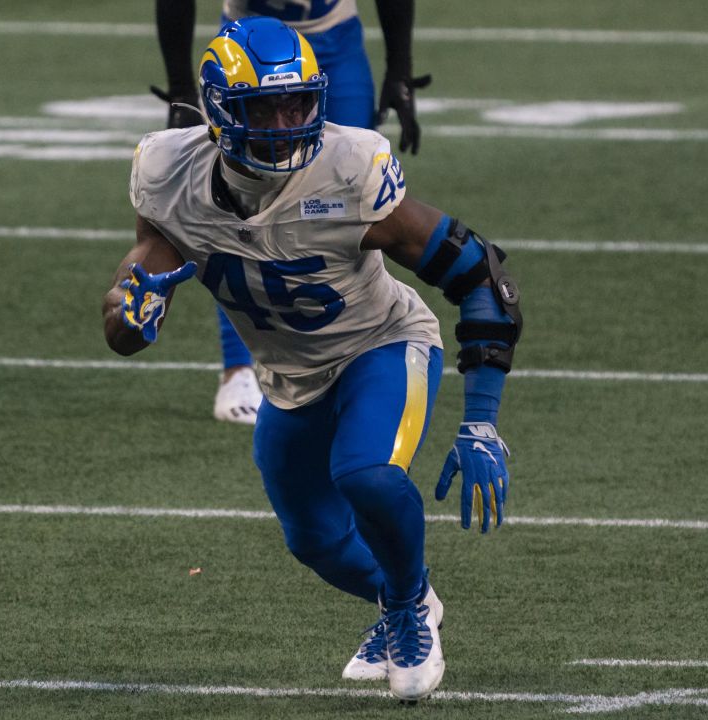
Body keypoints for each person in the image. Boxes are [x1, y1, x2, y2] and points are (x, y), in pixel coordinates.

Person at [105, 17, 520, 700]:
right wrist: (131, 314)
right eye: (263, 105)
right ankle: (395, 602)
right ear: (217, 112)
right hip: (289, 379)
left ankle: (413, 604)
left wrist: (481, 418)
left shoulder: (349, 166)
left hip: (380, 343)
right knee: (315, 541)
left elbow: (483, 278)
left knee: (365, 475)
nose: (285, 120)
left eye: (298, 101)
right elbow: (130, 298)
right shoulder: (165, 170)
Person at [151, 0, 431, 425]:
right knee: (234, 210)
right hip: (244, 51)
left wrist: (400, 68)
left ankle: (357, 356)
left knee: (349, 197)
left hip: (333, 39)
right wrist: (180, 87)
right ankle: (239, 369)